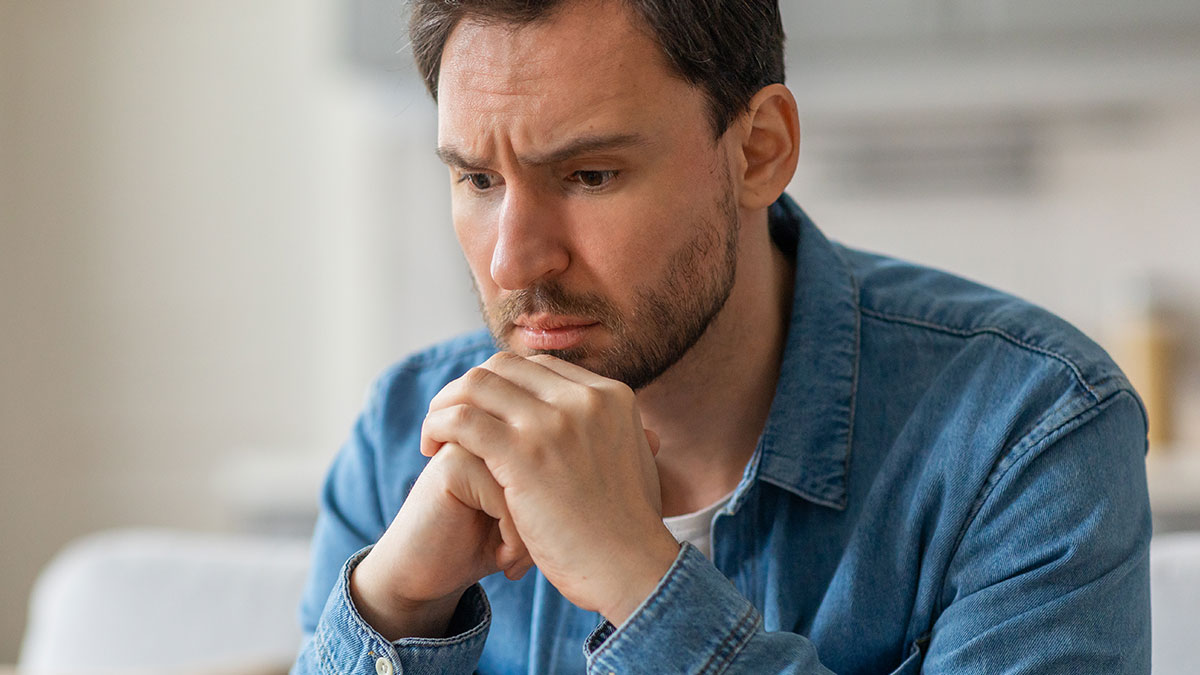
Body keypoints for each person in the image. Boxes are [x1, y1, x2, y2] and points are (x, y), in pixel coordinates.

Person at [291, 1, 1152, 673]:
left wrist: (640, 577)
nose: (516, 261)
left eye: (590, 175)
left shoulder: (1029, 430)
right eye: (477, 178)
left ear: (760, 150)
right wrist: (393, 605)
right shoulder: (404, 435)